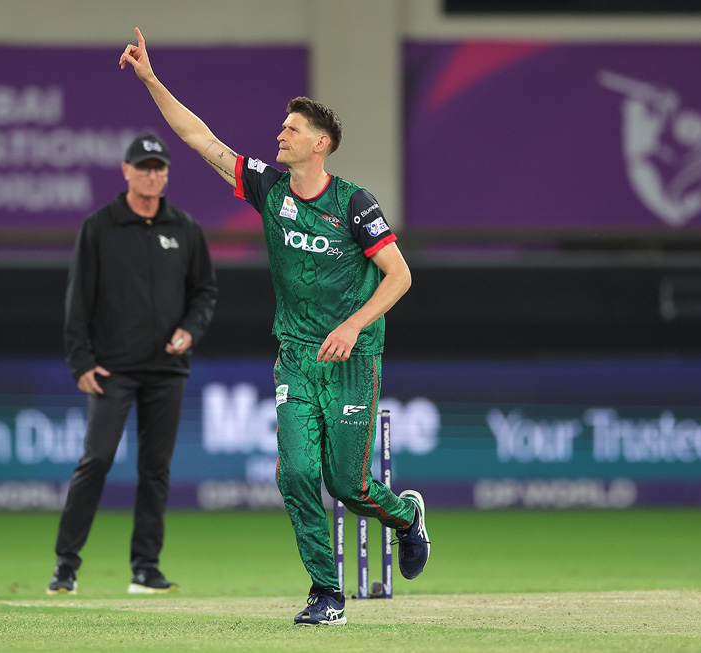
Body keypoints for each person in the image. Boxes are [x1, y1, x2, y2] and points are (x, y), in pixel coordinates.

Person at [119, 28, 430, 625]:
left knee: (348, 485)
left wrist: (351, 326)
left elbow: (399, 277)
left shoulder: (355, 204)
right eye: (283, 127)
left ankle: (406, 516)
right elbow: (200, 139)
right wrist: (151, 80)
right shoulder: (268, 187)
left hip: (352, 356)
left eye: (292, 129)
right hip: (296, 355)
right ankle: (326, 593)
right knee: (295, 473)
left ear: (320, 145)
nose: (280, 134)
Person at [46, 132, 217, 596]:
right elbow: (77, 299)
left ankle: (145, 567)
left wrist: (190, 329)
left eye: (159, 168)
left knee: (155, 468)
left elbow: (203, 291)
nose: (151, 175)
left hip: (167, 370)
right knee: (96, 459)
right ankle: (66, 565)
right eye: (143, 167)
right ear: (125, 171)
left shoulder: (185, 228)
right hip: (112, 369)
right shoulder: (100, 227)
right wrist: (80, 360)